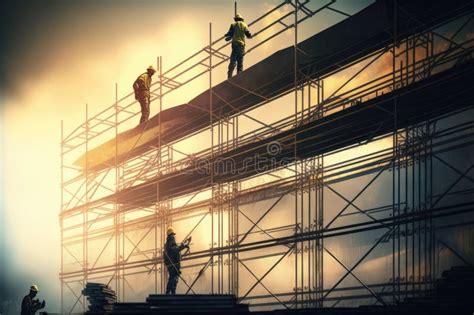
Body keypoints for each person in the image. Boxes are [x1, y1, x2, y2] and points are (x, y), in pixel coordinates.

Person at [163, 227, 191, 295]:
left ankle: (172, 292)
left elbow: (175, 249)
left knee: (173, 278)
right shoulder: (171, 241)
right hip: (174, 264)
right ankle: (169, 292)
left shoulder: (168, 244)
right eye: (173, 235)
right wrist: (184, 245)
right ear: (171, 234)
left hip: (171, 264)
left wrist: (185, 244)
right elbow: (175, 249)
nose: (174, 237)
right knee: (173, 278)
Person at [225, 13, 253, 79]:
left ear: (235, 19)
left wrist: (226, 36)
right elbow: (248, 35)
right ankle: (239, 76)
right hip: (241, 45)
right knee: (240, 60)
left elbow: (230, 33)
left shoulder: (233, 24)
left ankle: (230, 76)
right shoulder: (244, 25)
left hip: (235, 44)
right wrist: (250, 36)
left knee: (233, 60)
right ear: (241, 19)